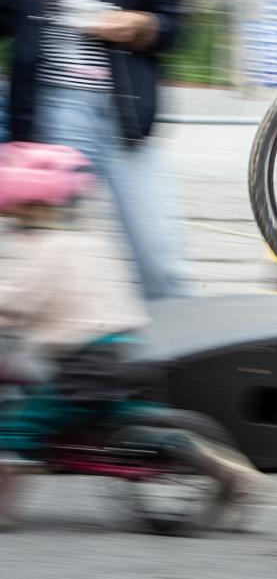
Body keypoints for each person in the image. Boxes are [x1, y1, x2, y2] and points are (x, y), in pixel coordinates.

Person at [0, 143, 261, 528]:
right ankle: (213, 460)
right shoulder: (90, 242)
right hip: (118, 353)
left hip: (81, 363)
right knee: (108, 419)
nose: (13, 221)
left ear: (31, 206)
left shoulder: (47, 250)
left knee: (19, 427)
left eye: (16, 212)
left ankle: (3, 509)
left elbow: (19, 300)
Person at [0, 0, 189, 301]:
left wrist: (137, 25)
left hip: (123, 116)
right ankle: (63, 363)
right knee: (56, 253)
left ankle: (182, 361)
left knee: (158, 256)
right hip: (55, 113)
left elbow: (177, 28)